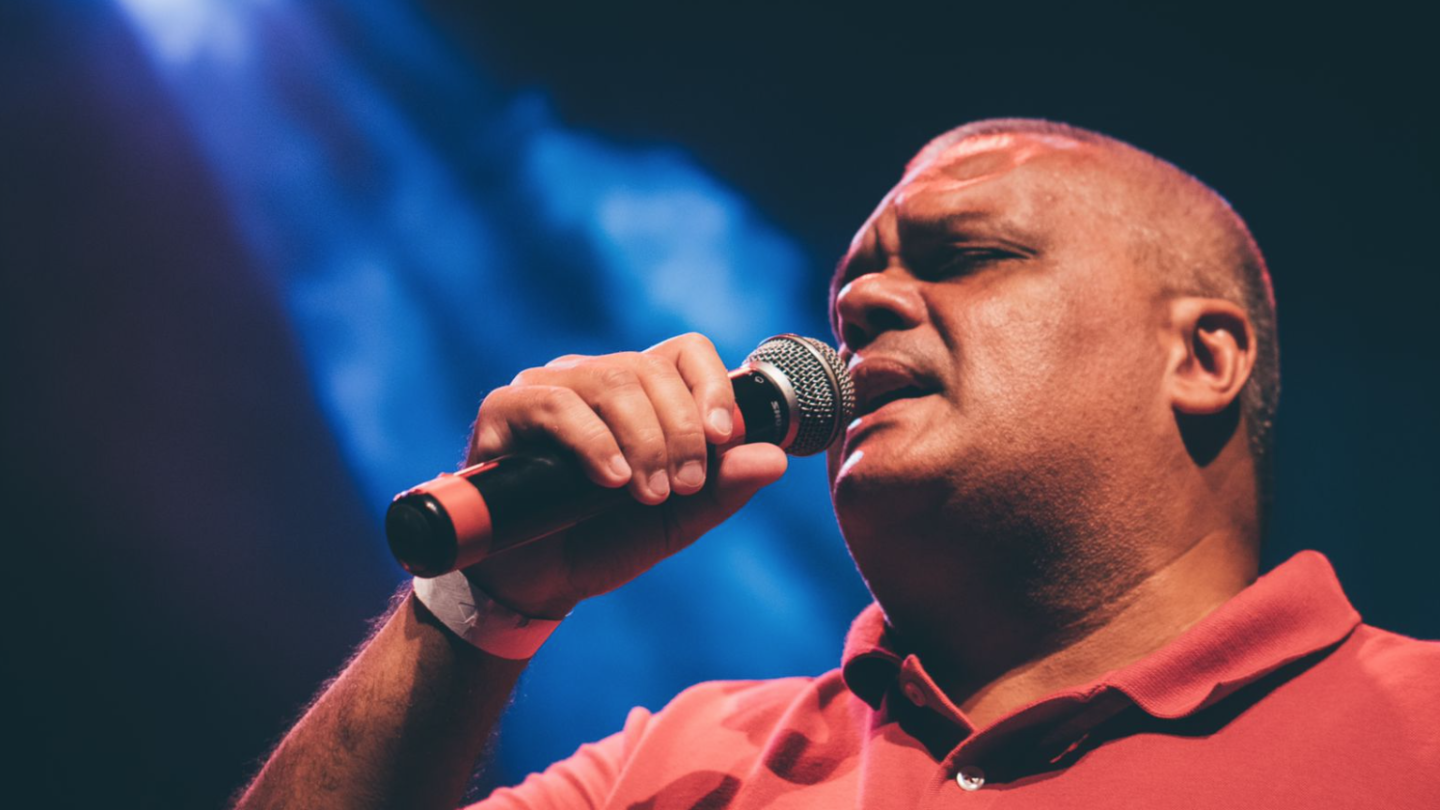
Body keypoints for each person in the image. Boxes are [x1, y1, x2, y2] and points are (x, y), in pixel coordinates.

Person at [234, 119, 1439, 809]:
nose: (859, 301)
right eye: (857, 280)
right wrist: (475, 607)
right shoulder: (681, 767)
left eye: (965, 255)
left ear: (1203, 356)